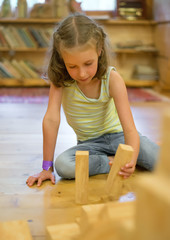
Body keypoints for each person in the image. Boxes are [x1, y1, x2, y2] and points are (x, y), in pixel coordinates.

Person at [26, 13, 160, 187]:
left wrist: (131, 158)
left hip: (120, 138)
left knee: (162, 162)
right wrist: (46, 167)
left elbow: (130, 129)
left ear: (99, 51)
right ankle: (111, 161)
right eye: (72, 66)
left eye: (88, 63)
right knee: (64, 166)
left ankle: (129, 157)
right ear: (62, 59)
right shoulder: (60, 81)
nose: (82, 73)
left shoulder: (112, 79)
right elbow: (51, 120)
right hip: (89, 145)